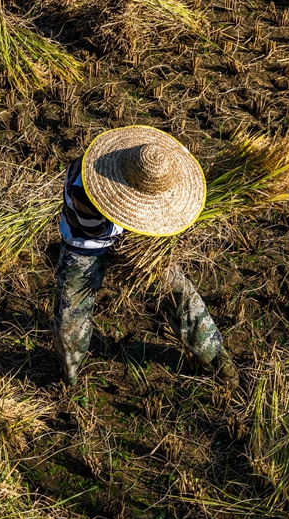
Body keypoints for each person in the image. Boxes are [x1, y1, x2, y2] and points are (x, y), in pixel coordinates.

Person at [52, 124, 239, 388]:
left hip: (140, 237)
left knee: (180, 292)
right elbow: (104, 232)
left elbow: (154, 218)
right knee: (71, 315)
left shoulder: (147, 163)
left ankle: (213, 354)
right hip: (87, 244)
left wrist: (168, 236)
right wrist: (145, 235)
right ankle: (68, 375)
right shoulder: (82, 187)